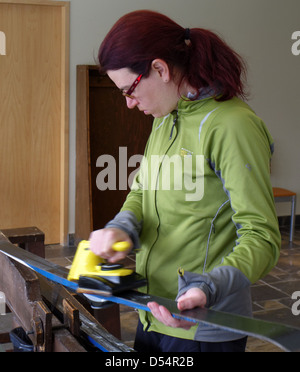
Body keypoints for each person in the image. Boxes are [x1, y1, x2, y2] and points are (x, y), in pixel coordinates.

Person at [89, 10, 281, 352]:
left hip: (204, 324)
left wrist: (206, 288)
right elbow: (142, 192)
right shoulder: (165, 118)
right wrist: (120, 228)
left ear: (160, 69)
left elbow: (262, 236)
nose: (130, 104)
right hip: (152, 310)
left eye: (129, 90)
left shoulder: (233, 126)